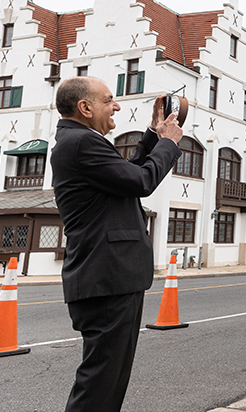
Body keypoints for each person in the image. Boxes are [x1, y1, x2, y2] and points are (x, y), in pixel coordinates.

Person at [51, 76, 183, 411]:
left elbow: (126, 176)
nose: (117, 106)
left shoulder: (80, 141)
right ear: (85, 107)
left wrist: (153, 133)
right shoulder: (81, 142)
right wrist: (168, 143)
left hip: (110, 277)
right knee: (99, 383)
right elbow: (142, 181)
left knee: (110, 379)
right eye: (109, 100)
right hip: (107, 278)